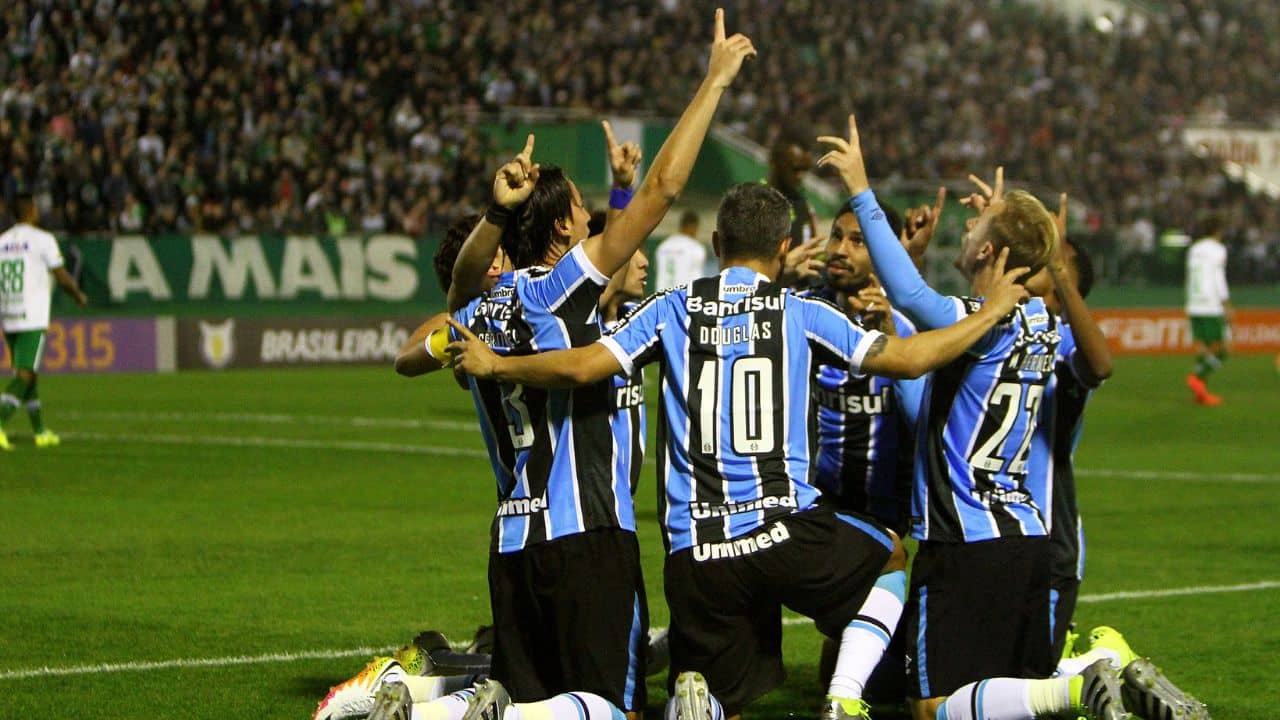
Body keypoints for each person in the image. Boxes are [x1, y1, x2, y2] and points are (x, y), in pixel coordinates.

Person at [446, 181, 1035, 720]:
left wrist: (497, 362)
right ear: (783, 248)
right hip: (789, 530)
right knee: (889, 559)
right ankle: (844, 697)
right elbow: (910, 359)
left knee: (716, 688)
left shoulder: (672, 307)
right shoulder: (800, 311)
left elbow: (581, 368)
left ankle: (696, 693)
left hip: (698, 553)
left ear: (717, 240)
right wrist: (987, 316)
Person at [385, 13, 759, 720]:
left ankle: (444, 710)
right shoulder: (559, 291)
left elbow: (444, 312)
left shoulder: (480, 312)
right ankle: (455, 713)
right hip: (588, 538)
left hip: (513, 544)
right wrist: (712, 83)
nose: (596, 223)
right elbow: (660, 194)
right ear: (563, 227)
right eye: (586, 213)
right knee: (611, 710)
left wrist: (495, 214)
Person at [815, 118, 1129, 720]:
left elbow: (910, 295)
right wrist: (1037, 248)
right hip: (1028, 536)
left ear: (988, 251)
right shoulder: (1042, 326)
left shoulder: (976, 323)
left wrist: (861, 189)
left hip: (962, 541)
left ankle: (1079, 685)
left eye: (975, 228)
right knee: (1006, 695)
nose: (966, 229)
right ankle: (1080, 683)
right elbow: (1101, 361)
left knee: (932, 705)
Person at [0, 192, 88, 450]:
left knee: (28, 374)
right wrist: (78, 295)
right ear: (32, 211)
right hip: (32, 315)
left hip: (8, 314)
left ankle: (40, 431)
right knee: (25, 375)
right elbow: (60, 275)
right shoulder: (43, 240)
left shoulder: (2, 241)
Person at [1184, 214, 1231, 406]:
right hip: (1211, 304)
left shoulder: (1194, 249)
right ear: (1218, 230)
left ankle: (1200, 394)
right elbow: (1218, 277)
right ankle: (1197, 377)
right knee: (1223, 349)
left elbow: (1189, 276)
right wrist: (1226, 303)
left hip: (1194, 302)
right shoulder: (1218, 250)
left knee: (1203, 347)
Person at [654, 211, 710, 291]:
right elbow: (698, 278)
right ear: (693, 226)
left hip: (662, 297)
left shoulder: (663, 246)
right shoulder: (696, 248)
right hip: (683, 298)